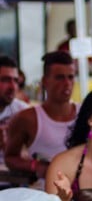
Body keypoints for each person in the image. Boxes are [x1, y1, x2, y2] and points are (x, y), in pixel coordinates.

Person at [4, 51, 78, 183]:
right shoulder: (26, 118)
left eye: (71, 77)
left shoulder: (86, 113)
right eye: (59, 77)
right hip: (43, 196)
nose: (67, 83)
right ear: (45, 81)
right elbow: (10, 158)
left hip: (80, 194)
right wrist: (36, 166)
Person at [0, 55, 30, 165]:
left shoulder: (24, 112)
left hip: (15, 179)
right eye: (5, 80)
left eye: (16, 81)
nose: (12, 87)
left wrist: (10, 147)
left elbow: (34, 157)